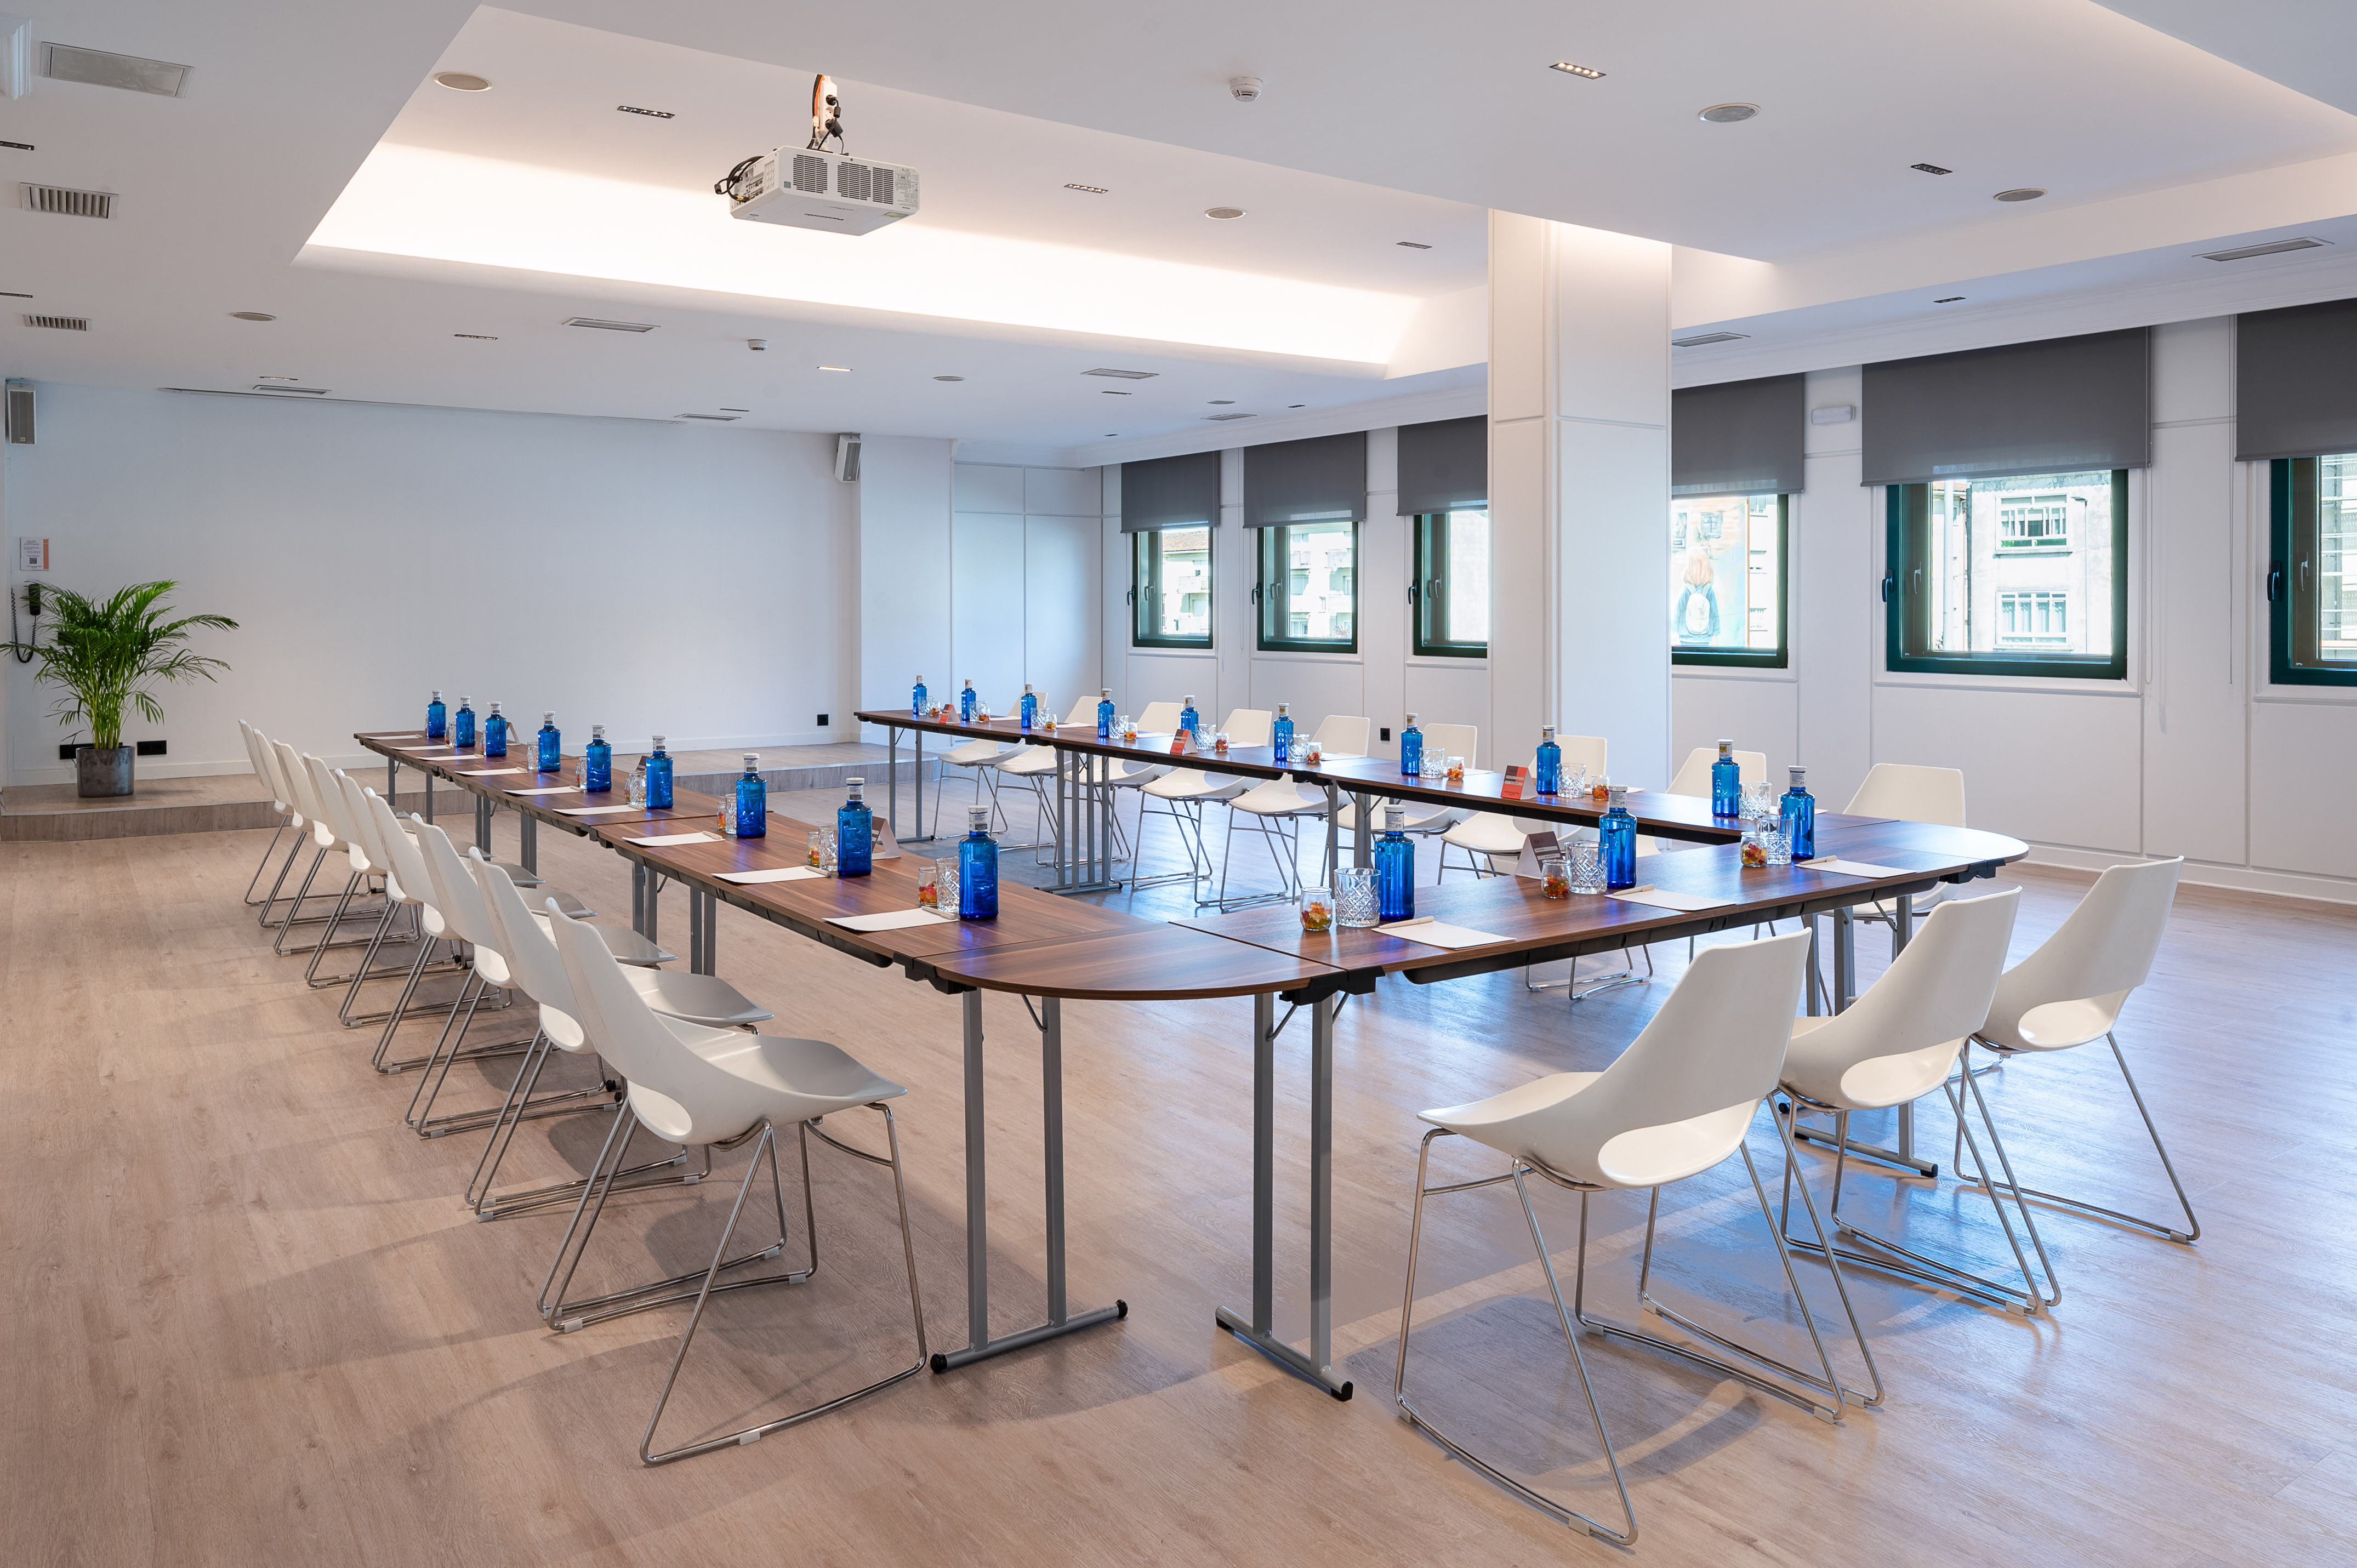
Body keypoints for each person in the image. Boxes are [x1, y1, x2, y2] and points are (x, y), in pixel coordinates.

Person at [1675, 540, 1721, 643]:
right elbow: (1715, 614)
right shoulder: (1709, 590)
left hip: (1686, 638)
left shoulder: (1686, 589)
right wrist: (1715, 636)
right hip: (1705, 638)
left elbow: (1678, 611)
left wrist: (1674, 632)